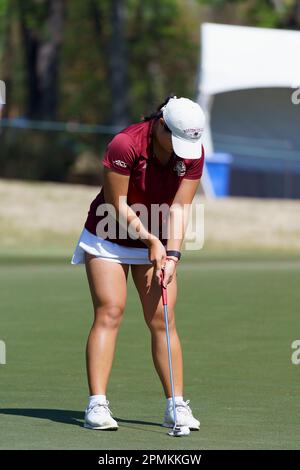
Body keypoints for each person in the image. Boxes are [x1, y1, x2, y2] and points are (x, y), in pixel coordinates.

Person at [71, 95, 205, 431]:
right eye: (172, 141)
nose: (178, 151)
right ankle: (96, 406)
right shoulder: (125, 144)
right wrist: (148, 238)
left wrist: (172, 255)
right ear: (160, 125)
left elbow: (180, 208)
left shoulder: (191, 151)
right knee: (110, 310)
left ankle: (176, 405)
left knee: (163, 317)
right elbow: (116, 204)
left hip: (158, 239)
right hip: (108, 234)